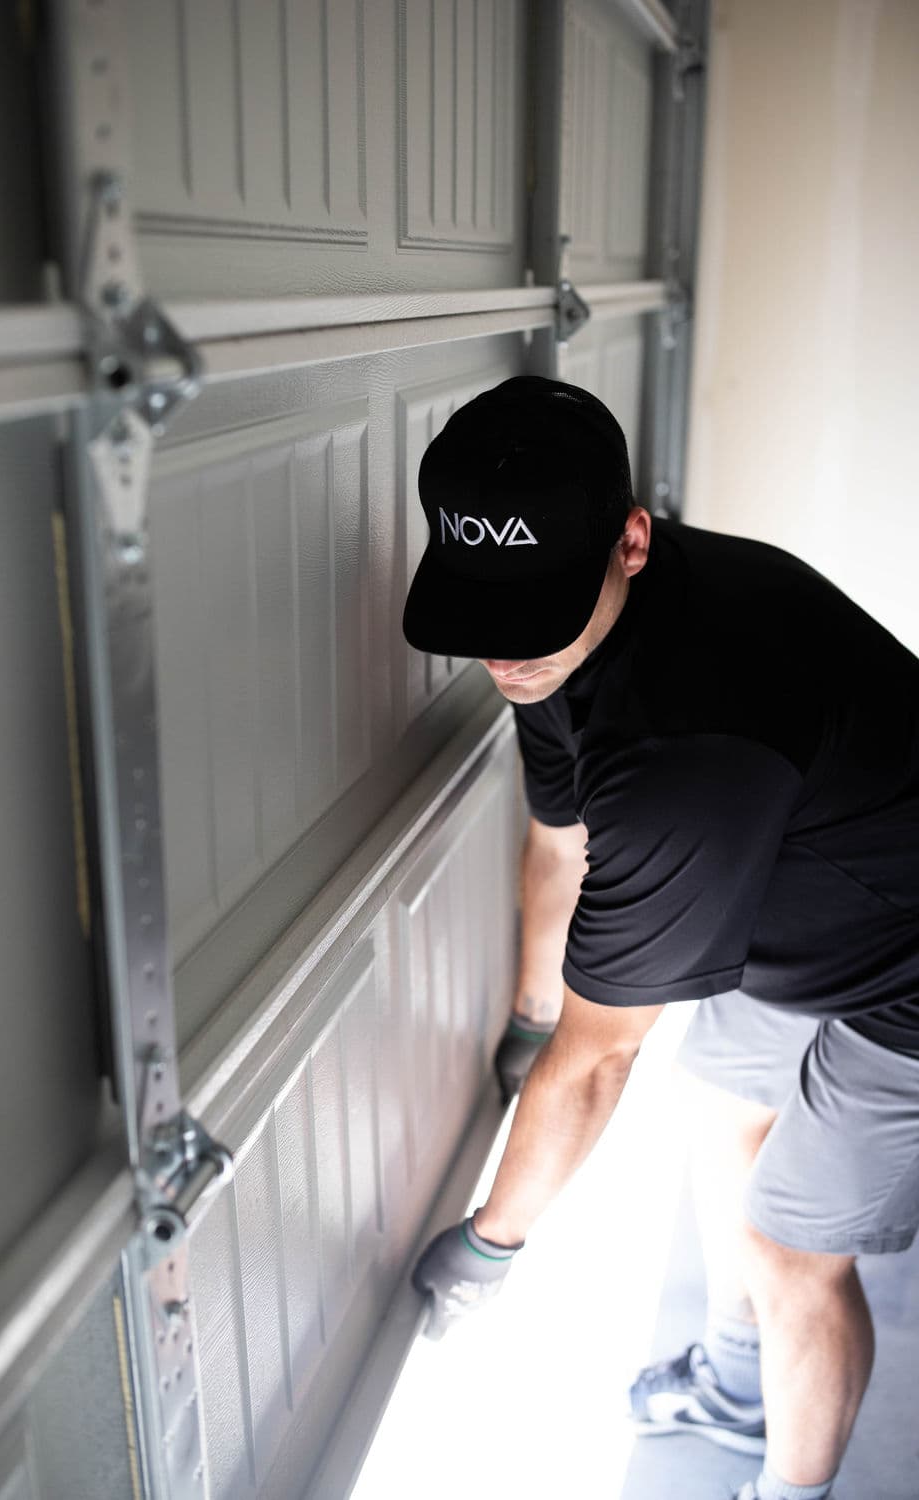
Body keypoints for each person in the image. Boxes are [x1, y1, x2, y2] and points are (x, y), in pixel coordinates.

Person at [401, 374, 919, 1500]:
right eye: (482, 614)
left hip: (906, 972)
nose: (502, 655)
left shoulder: (683, 751)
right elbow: (559, 848)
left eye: (527, 618)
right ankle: (736, 1386)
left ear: (631, 541)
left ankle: (794, 1493)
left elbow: (600, 1061)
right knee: (726, 1106)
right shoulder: (560, 637)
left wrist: (492, 1242)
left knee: (792, 1248)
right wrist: (530, 1013)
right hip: (809, 887)